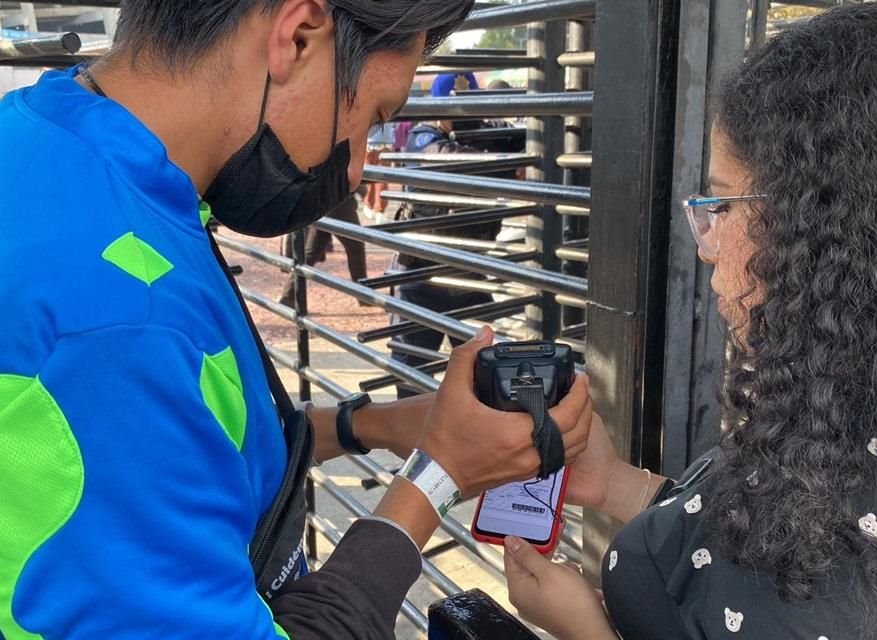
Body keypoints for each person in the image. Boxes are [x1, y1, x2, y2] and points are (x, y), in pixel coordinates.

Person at [0, 1, 595, 638]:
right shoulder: (122, 321)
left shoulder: (47, 141)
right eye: (373, 116)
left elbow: (182, 439)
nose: (360, 163)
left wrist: (369, 426)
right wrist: (438, 473)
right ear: (299, 36)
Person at [503, 3, 877, 639]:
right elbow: (776, 533)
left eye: (721, 201)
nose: (707, 241)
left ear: (823, 230)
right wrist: (618, 486)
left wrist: (586, 632)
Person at [389, 72, 521, 398]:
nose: (463, 117)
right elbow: (449, 162)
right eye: (454, 108)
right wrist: (502, 163)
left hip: (469, 278)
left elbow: (531, 136)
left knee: (486, 371)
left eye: (468, 108)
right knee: (412, 373)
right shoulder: (422, 137)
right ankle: (414, 444)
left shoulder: (487, 133)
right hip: (422, 277)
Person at [279, 191, 368, 308]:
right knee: (356, 247)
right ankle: (364, 294)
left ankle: (289, 296)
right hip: (338, 197)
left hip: (323, 196)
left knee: (312, 251)